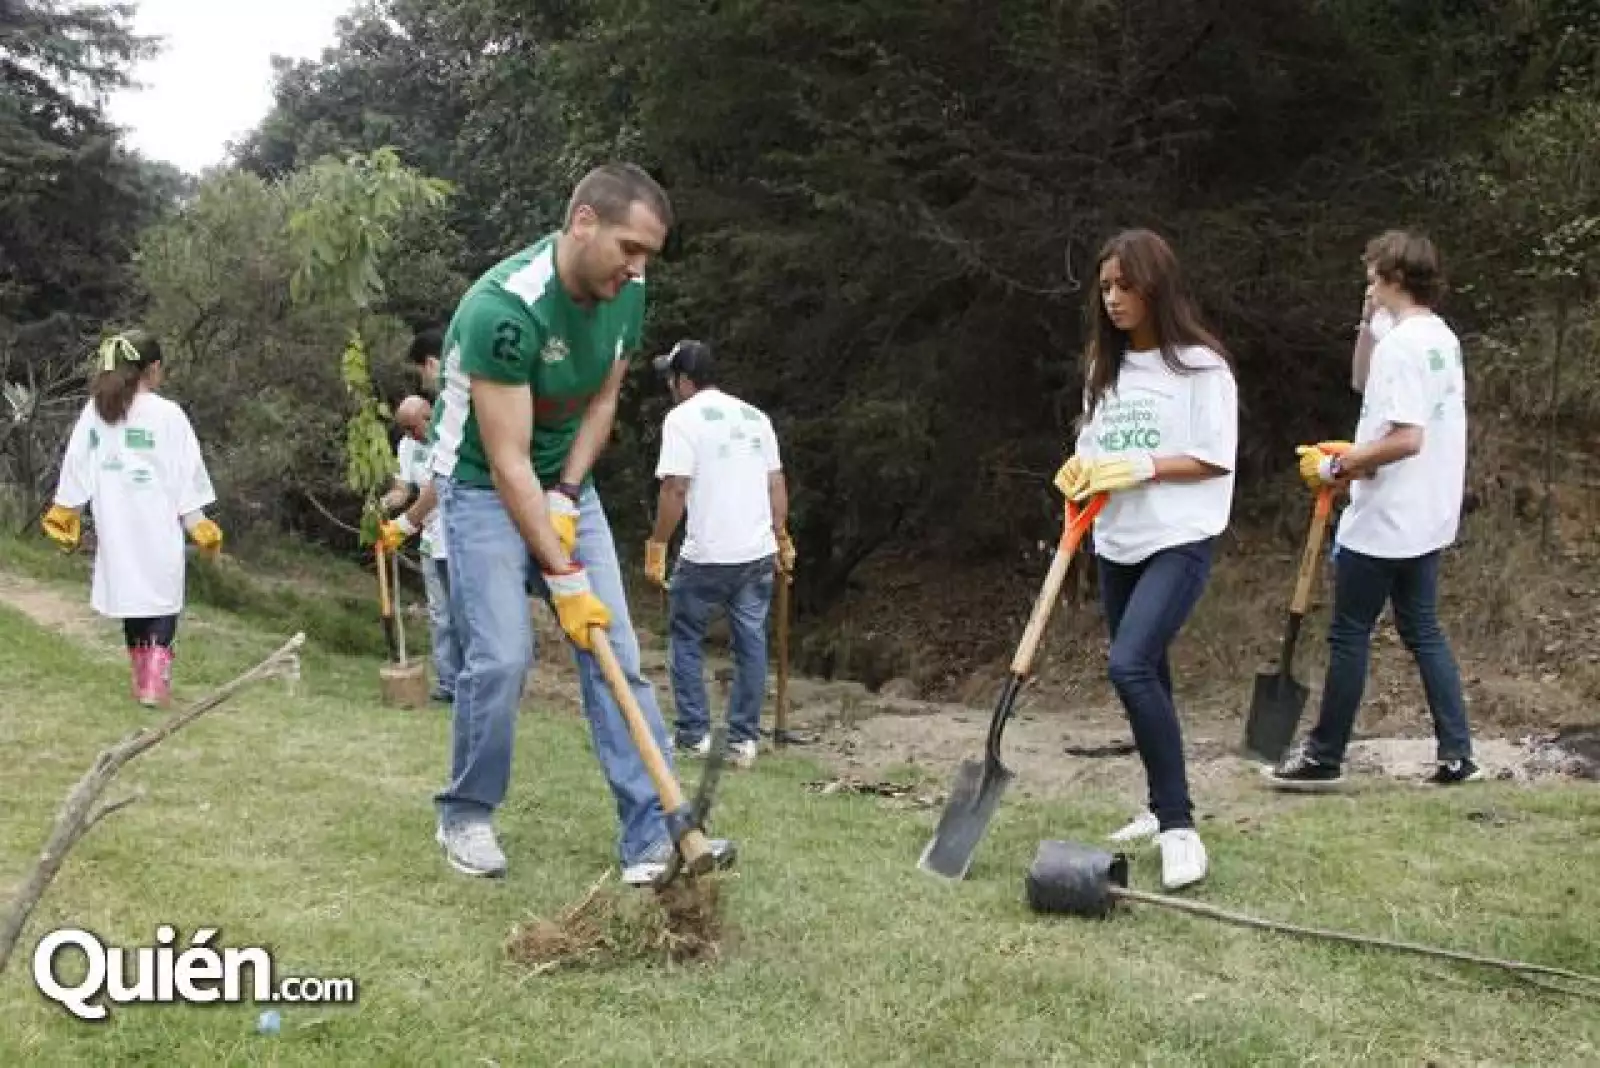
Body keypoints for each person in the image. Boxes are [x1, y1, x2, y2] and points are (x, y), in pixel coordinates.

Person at [425, 162, 733, 884]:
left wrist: (567, 493)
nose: (637, 269)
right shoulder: (504, 309)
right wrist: (562, 575)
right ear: (583, 222)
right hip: (479, 487)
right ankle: (465, 814)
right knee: (501, 658)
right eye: (629, 248)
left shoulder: (627, 293)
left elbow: (602, 403)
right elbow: (504, 462)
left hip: (564, 479)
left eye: (648, 256)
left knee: (615, 654)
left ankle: (654, 838)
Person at [1053, 228, 1238, 892]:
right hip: (1117, 542)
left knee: (1128, 666)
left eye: (1125, 285)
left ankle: (1181, 828)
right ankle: (1161, 807)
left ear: (1155, 286)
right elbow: (1094, 447)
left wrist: (1143, 466)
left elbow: (1215, 455)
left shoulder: (1201, 367)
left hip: (1179, 537)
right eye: (1104, 287)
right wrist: (1082, 469)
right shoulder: (1105, 372)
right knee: (1150, 675)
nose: (1113, 298)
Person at [1268, 231, 1479, 791]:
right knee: (1422, 629)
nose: (1367, 281)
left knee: (1350, 634)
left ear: (1395, 278)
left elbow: (1407, 438)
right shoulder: (1436, 337)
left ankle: (1324, 755)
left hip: (1387, 517)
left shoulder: (1406, 346)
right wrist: (1366, 321)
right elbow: (1362, 381)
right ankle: (1458, 753)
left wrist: (1341, 466)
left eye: (1372, 275)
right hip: (1427, 515)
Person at [41, 331, 222, 708]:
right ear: (153, 369)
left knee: (132, 599)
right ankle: (154, 682)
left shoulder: (96, 410)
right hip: (155, 526)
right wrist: (195, 520)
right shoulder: (168, 415)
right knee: (161, 599)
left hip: (116, 526)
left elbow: (77, 461)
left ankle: (145, 680)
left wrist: (67, 507)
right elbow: (184, 474)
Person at [644, 339, 795, 770]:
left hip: (707, 553)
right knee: (750, 642)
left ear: (684, 380)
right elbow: (776, 483)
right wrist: (779, 535)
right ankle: (743, 741)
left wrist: (657, 543)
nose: (670, 387)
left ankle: (694, 735)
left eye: (671, 378)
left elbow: (675, 487)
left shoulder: (682, 420)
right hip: (755, 552)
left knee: (686, 637)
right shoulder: (754, 416)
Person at [379, 393, 459, 704]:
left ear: (428, 415)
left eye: (414, 427)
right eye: (406, 430)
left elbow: (435, 491)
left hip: (457, 539)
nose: (412, 435)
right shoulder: (408, 446)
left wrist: (403, 526)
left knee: (464, 614)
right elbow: (403, 490)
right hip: (430, 542)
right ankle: (448, 682)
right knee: (440, 615)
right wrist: (384, 506)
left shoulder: (451, 438)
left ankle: (473, 681)